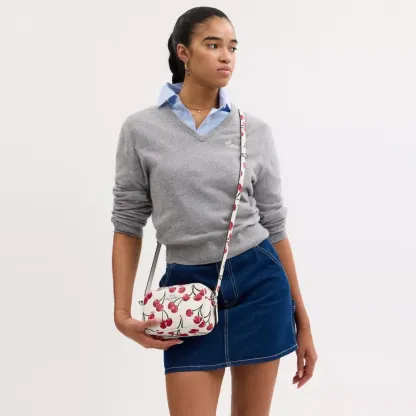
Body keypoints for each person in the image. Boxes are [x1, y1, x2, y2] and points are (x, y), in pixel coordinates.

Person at [111, 6, 318, 416]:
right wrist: (121, 312)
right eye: (213, 45)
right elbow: (127, 221)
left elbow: (275, 224)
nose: (226, 56)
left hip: (259, 283)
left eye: (232, 47)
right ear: (183, 52)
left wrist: (303, 321)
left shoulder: (253, 130)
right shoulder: (141, 129)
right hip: (185, 290)